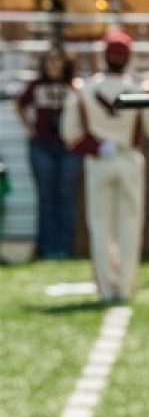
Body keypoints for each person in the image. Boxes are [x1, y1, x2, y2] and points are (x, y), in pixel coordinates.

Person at [60, 31, 149, 303]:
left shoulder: (84, 88)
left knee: (100, 225)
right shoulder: (139, 88)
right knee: (130, 223)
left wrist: (97, 147)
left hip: (99, 161)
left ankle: (106, 286)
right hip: (129, 159)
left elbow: (69, 133)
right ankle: (125, 285)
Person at [17, 47, 80, 261]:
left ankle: (66, 247)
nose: (53, 65)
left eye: (58, 60)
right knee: (46, 197)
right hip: (42, 145)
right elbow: (20, 105)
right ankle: (47, 248)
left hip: (68, 146)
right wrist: (29, 127)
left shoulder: (74, 86)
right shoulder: (36, 85)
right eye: (50, 60)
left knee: (66, 196)